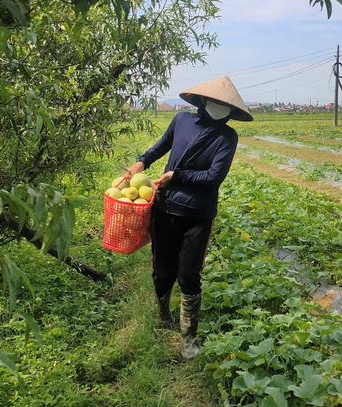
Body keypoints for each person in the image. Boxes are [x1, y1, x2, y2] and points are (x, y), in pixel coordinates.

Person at [125, 76, 253, 359]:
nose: (219, 107)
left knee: (189, 275)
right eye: (215, 102)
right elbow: (162, 146)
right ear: (204, 101)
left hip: (198, 215)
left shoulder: (227, 137)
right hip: (165, 208)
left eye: (225, 105)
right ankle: (163, 316)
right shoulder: (181, 121)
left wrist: (176, 176)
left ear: (231, 111)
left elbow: (214, 177)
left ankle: (188, 339)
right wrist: (142, 161)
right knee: (162, 269)